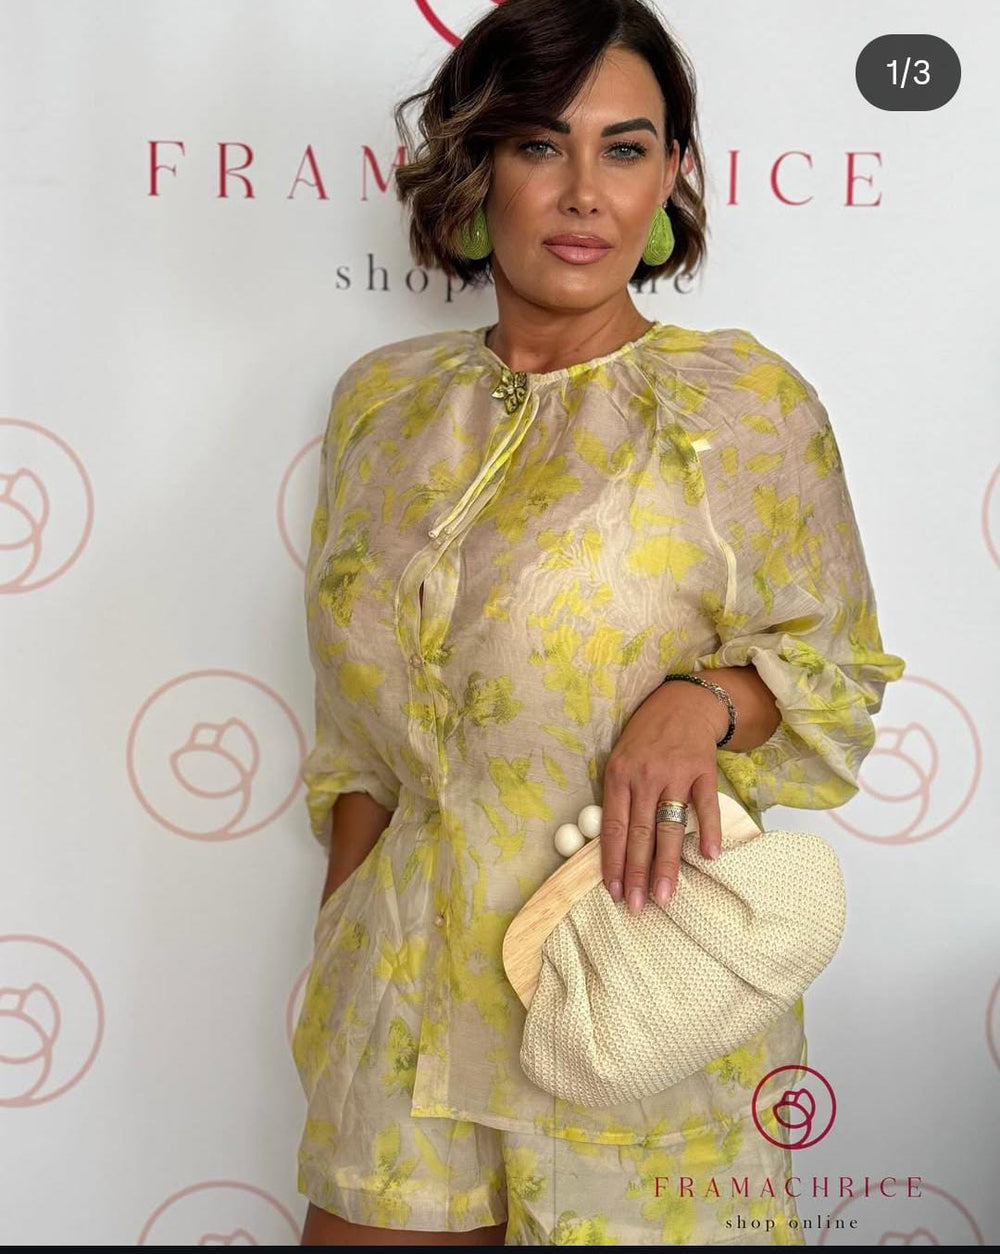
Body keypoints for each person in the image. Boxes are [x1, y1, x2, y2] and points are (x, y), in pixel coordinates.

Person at [291, 0, 906, 1245]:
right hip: (398, 1015)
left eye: (624, 148)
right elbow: (357, 744)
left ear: (671, 174)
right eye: (540, 144)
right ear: (479, 165)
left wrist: (703, 701)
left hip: (633, 1005)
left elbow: (836, 671)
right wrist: (340, 944)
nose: (583, 193)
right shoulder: (380, 407)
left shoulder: (740, 406)